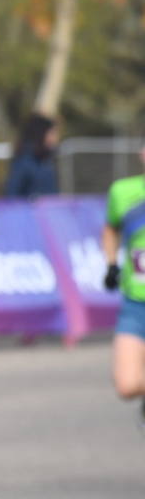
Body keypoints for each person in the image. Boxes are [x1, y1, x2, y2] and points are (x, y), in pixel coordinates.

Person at [100, 139, 145, 424]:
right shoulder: (123, 191)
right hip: (135, 304)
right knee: (127, 386)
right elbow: (111, 229)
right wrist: (112, 264)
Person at [2, 112, 60, 197]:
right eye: (51, 133)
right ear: (41, 133)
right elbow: (11, 194)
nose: (55, 138)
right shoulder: (24, 161)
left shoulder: (46, 159)